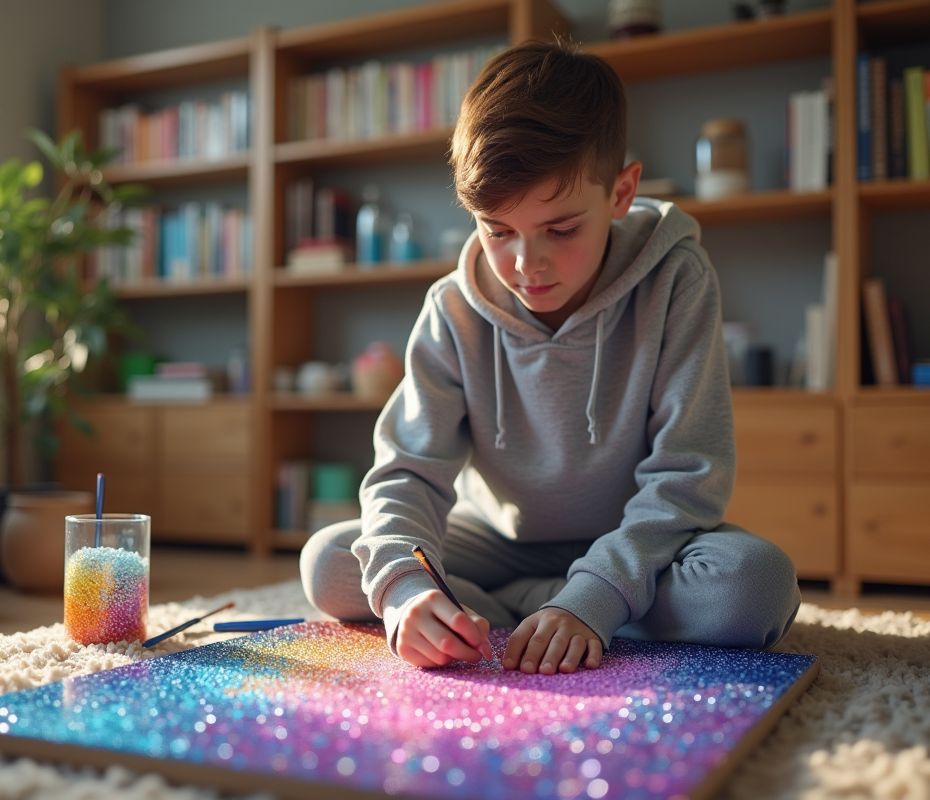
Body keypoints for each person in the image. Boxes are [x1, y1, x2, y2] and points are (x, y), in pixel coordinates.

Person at [300, 39, 800, 674]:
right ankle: (546, 614)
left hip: (638, 544)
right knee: (331, 563)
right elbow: (407, 472)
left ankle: (559, 610)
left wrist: (595, 595)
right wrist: (408, 592)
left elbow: (688, 475)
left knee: (753, 586)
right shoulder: (453, 308)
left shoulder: (677, 279)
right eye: (497, 230)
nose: (525, 264)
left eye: (561, 230)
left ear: (621, 193)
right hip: (495, 546)